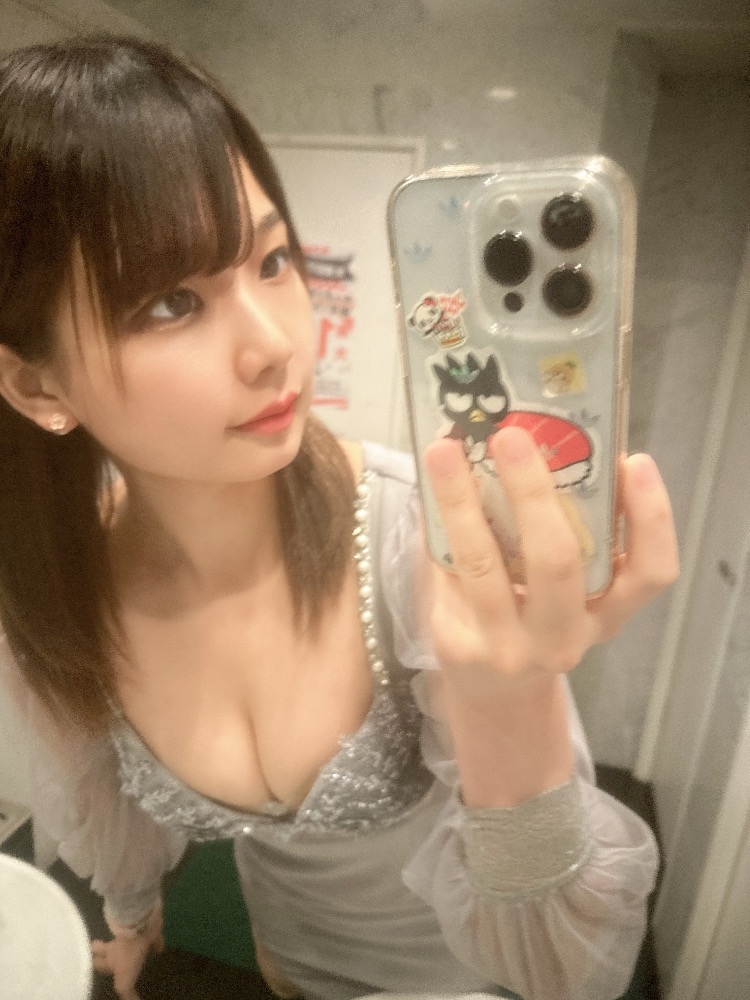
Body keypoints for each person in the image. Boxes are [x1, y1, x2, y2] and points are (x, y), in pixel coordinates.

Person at [0, 33, 678, 1000]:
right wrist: (132, 919)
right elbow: (96, 794)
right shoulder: (61, 590)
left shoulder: (411, 547)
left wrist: (509, 698)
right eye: (172, 302)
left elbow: (565, 973)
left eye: (273, 259)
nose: (276, 345)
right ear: (37, 385)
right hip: (286, 960)